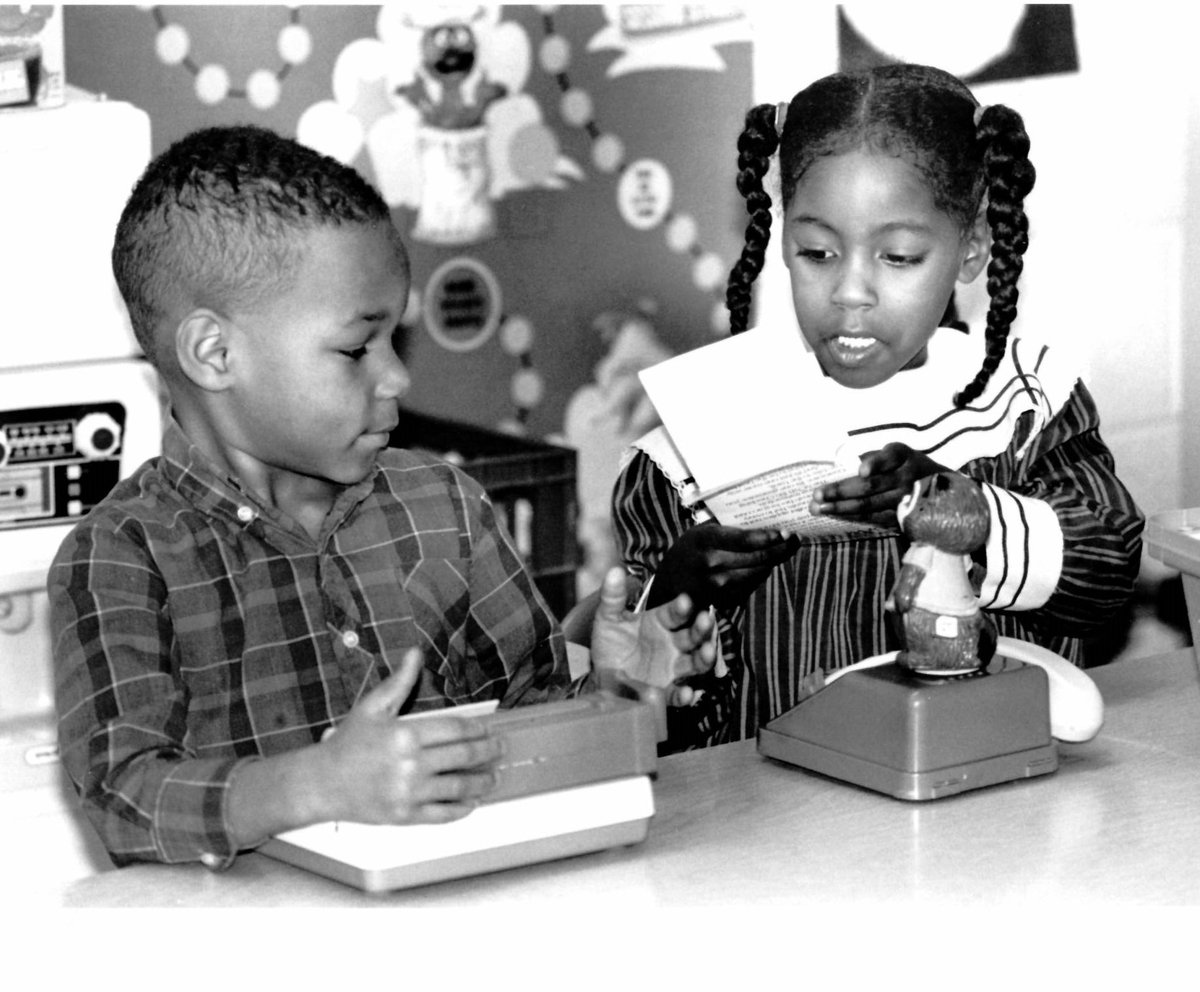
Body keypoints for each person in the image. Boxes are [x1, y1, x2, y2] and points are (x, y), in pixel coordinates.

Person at [50, 125, 714, 870]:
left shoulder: (445, 505)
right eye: (357, 348)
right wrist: (317, 784)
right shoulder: (121, 555)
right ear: (214, 354)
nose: (397, 377)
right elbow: (123, 795)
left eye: (396, 340)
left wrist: (612, 693)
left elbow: (531, 719)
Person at [612, 63, 1144, 751]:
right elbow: (636, 701)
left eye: (897, 257)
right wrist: (679, 588)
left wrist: (969, 511)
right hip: (779, 814)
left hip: (984, 791)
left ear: (971, 248)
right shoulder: (699, 437)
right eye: (817, 252)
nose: (851, 291)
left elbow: (1108, 568)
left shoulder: (1025, 402)